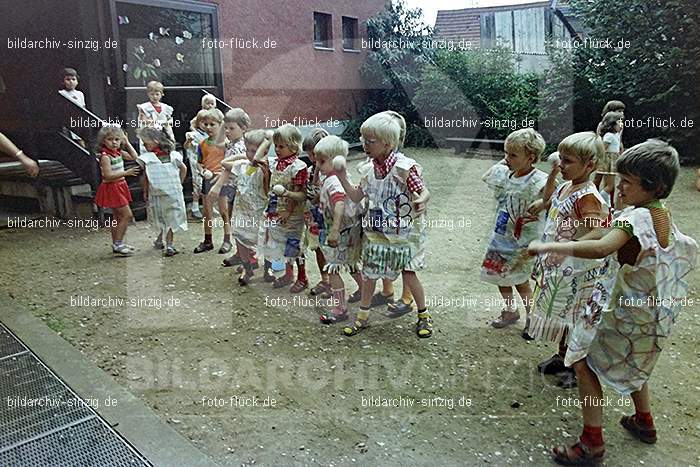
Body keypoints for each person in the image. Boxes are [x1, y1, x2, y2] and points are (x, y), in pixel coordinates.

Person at [528, 139, 697, 465]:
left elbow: (603, 247)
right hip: (648, 312)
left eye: (628, 183)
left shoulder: (635, 219)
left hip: (620, 311)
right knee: (634, 361)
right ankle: (643, 421)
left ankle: (591, 443)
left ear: (654, 186)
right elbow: (609, 233)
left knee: (583, 363)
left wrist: (554, 248)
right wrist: (583, 236)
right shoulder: (660, 214)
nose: (619, 188)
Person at [335, 112, 432, 338]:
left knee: (409, 273)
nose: (365, 145)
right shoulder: (368, 170)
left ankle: (424, 315)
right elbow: (356, 196)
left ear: (388, 143)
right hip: (377, 232)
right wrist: (341, 176)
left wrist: (422, 199)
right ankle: (363, 316)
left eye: (371, 141)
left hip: (404, 234)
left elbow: (423, 190)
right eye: (363, 139)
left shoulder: (404, 168)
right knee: (370, 274)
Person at [528, 132, 611, 388]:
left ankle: (576, 366)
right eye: (560, 159)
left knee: (574, 316)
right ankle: (562, 355)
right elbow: (551, 200)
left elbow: (599, 230)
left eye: (567, 161)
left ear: (589, 166)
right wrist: (553, 175)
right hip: (559, 265)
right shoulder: (567, 185)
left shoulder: (588, 196)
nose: (561, 165)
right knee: (562, 311)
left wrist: (569, 246)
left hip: (576, 269)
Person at [481, 128, 548, 339]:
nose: (506, 158)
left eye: (512, 155)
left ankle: (533, 318)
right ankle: (510, 311)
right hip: (501, 237)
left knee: (521, 281)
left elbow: (557, 197)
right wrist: (504, 162)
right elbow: (487, 176)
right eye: (505, 153)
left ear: (531, 158)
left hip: (523, 242)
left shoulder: (539, 180)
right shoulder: (504, 174)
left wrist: (544, 202)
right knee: (501, 278)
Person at [312, 135, 363, 324]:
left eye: (322, 161)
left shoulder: (333, 181)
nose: (317, 164)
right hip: (349, 229)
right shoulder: (335, 176)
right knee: (350, 263)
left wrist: (334, 230)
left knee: (332, 268)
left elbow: (339, 203)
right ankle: (366, 293)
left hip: (340, 230)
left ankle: (340, 308)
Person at [259, 124, 309, 292]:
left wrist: (288, 209)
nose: (277, 150)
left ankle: (302, 277)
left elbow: (300, 194)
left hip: (292, 215)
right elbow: (269, 189)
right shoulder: (275, 165)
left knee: (294, 245)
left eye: (282, 146)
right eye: (276, 146)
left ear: (294, 146)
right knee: (281, 245)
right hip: (275, 212)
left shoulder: (298, 167)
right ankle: (289, 274)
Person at [136, 127, 188, 257]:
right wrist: (179, 183)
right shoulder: (173, 155)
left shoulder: (147, 158)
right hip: (173, 192)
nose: (144, 145)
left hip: (157, 193)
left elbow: (145, 178)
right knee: (170, 217)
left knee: (160, 216)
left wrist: (145, 190)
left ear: (155, 141)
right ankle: (167, 243)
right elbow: (184, 169)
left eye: (146, 143)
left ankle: (163, 241)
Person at [229, 130, 271, 284]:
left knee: (265, 241)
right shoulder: (243, 166)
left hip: (259, 212)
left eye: (254, 151)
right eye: (247, 150)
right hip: (242, 210)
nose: (250, 154)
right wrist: (243, 156)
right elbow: (225, 164)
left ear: (265, 152)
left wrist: (265, 172)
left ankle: (268, 269)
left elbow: (268, 191)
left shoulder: (267, 168)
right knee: (241, 239)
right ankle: (248, 269)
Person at [211, 108, 252, 257]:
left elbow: (229, 169)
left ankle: (244, 255)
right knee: (236, 222)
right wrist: (224, 123)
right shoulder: (234, 142)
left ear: (244, 128)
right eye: (226, 128)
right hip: (233, 188)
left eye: (231, 128)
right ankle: (240, 253)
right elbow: (218, 143)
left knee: (240, 223)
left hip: (238, 189)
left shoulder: (240, 146)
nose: (227, 131)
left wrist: (217, 186)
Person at [93, 126, 140, 256]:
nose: (114, 142)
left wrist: (127, 142)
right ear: (103, 141)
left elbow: (134, 156)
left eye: (117, 139)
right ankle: (118, 243)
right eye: (110, 139)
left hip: (120, 185)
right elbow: (107, 175)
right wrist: (126, 172)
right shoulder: (105, 157)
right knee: (127, 215)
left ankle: (117, 243)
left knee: (117, 216)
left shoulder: (118, 153)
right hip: (113, 187)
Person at [302, 128, 331, 298]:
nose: (312, 159)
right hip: (315, 218)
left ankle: (336, 284)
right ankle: (325, 280)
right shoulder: (312, 170)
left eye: (314, 154)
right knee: (318, 249)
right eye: (310, 155)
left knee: (333, 252)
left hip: (329, 218)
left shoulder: (332, 171)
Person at [192, 108, 226, 253]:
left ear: (220, 124)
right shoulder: (202, 144)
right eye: (206, 124)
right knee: (207, 212)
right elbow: (199, 162)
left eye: (213, 124)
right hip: (208, 179)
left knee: (225, 211)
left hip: (223, 180)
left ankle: (227, 240)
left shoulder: (226, 143)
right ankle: (208, 240)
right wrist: (202, 170)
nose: (209, 127)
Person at [137, 81, 175, 153]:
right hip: (150, 134)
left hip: (164, 133)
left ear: (162, 94)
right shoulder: (144, 107)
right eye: (152, 94)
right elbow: (144, 120)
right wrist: (159, 123)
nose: (154, 96)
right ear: (148, 94)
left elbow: (170, 120)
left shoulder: (166, 108)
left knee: (164, 151)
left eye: (157, 94)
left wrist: (167, 124)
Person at [596, 111, 624, 208]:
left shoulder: (616, 135)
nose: (621, 124)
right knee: (610, 186)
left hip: (614, 160)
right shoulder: (609, 136)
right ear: (612, 123)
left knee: (609, 185)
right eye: (619, 122)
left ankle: (606, 204)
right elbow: (603, 149)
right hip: (608, 161)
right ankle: (598, 199)